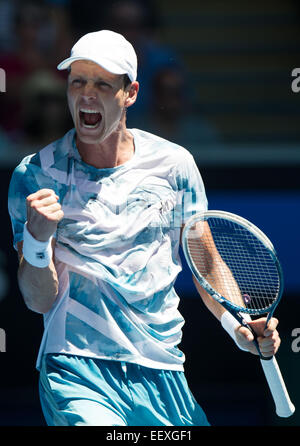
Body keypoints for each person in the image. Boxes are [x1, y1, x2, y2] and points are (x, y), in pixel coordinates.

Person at [8, 30, 280, 426]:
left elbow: (204, 259)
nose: (86, 94)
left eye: (102, 84)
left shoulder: (174, 165)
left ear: (130, 93)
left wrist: (238, 324)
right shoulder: (35, 175)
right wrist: (36, 240)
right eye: (77, 82)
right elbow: (39, 300)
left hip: (164, 371)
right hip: (78, 370)